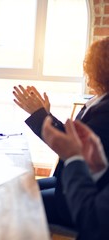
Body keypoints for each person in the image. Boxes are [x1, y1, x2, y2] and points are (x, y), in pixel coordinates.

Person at [12, 36, 109, 227]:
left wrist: (40, 115)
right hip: (65, 180)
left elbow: (72, 147)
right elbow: (74, 137)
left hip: (80, 198)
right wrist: (45, 114)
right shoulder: (99, 100)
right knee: (19, 190)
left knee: (17, 203)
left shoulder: (105, 111)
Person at [42, 117, 109, 240]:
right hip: (69, 186)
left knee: (24, 203)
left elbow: (93, 222)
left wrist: (74, 159)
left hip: (70, 205)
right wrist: (100, 169)